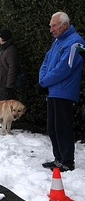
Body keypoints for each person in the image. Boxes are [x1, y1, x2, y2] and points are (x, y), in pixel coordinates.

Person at [38, 12, 85, 172]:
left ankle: (67, 161)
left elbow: (64, 69)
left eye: (54, 25)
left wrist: (44, 82)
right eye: (50, 26)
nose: (51, 29)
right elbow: (45, 61)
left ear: (64, 25)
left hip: (64, 92)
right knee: (52, 127)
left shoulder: (75, 43)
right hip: (52, 91)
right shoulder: (57, 42)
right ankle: (58, 159)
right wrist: (42, 80)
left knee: (63, 128)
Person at [0, 29, 19, 101]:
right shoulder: (5, 49)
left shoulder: (10, 50)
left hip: (3, 84)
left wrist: (9, 86)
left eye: (0, 37)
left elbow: (13, 68)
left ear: (4, 38)